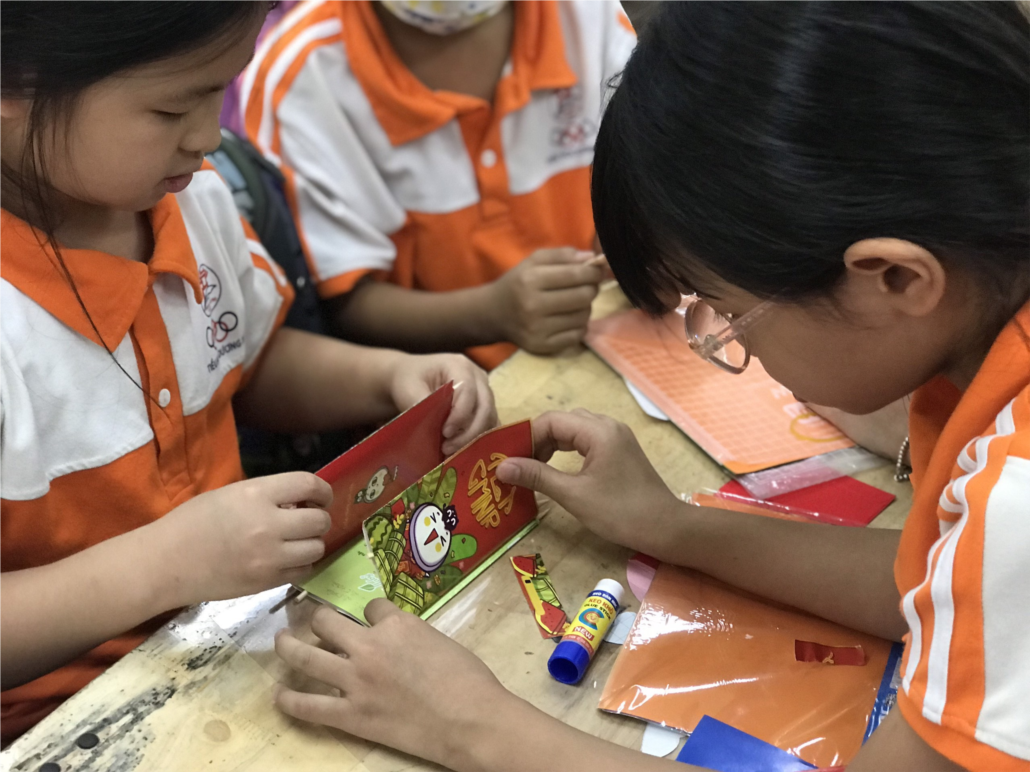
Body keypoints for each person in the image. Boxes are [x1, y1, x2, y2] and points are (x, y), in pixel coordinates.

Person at [271, 0, 1030, 770]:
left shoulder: (1018, 496)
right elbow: (944, 579)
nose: (726, 339)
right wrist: (674, 528)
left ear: (895, 278)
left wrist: (472, 727)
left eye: (727, 311)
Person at [0, 0, 496, 744]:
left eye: (223, 88)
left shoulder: (192, 200)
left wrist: (387, 377)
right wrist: (167, 565)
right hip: (65, 726)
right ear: (15, 82)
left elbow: (251, 363)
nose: (209, 137)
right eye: (173, 108)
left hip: (235, 639)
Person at [240, 0, 636, 369]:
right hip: (447, 387)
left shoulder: (587, 15)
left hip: (617, 337)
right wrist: (493, 313)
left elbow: (642, 189)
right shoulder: (303, 76)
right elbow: (346, 304)